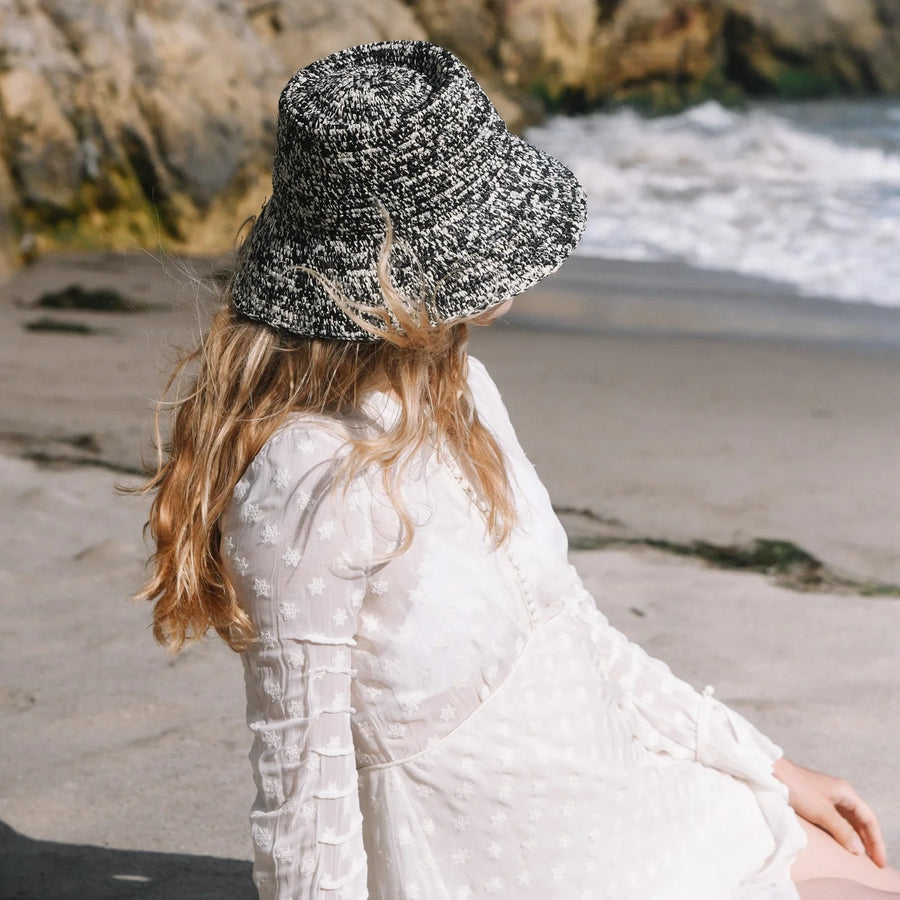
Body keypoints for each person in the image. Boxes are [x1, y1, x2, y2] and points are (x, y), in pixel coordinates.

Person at [135, 41, 900, 900]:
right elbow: (302, 806)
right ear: (395, 272)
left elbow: (569, 629)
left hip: (634, 797)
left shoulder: (458, 389)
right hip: (521, 867)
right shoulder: (308, 486)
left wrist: (764, 763)